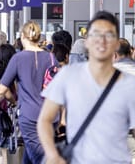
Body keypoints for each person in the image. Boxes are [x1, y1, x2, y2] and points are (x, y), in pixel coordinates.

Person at [38, 11, 135, 163]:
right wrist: (52, 154)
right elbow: (45, 120)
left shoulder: (129, 84)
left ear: (116, 44)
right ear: (87, 42)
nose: (101, 41)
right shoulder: (68, 76)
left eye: (109, 35)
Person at [0, 21, 55, 164]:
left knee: (39, 157)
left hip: (28, 116)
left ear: (22, 36)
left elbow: (2, 89)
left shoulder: (18, 58)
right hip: (50, 114)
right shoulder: (51, 58)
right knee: (31, 154)